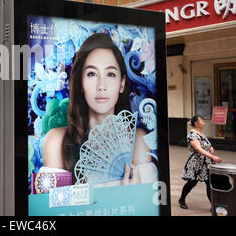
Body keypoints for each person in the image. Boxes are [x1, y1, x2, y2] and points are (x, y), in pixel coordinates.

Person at [42, 33, 155, 185]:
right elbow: (50, 205)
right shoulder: (57, 141)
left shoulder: (137, 141)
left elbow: (148, 202)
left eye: (110, 74)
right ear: (80, 82)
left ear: (121, 83)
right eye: (91, 74)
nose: (101, 86)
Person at [178, 115, 222, 210]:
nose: (204, 122)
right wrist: (212, 156)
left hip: (206, 163)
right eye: (202, 121)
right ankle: (181, 200)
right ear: (196, 123)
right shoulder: (192, 134)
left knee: (209, 183)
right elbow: (198, 149)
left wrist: (211, 148)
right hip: (196, 163)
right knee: (192, 183)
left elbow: (207, 145)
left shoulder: (201, 134)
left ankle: (213, 205)